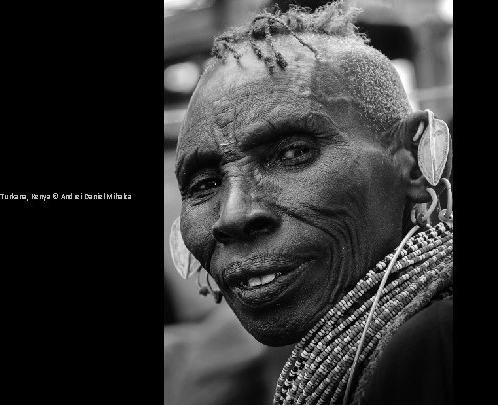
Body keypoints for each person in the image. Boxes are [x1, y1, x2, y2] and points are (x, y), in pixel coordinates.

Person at [171, 2, 453, 404]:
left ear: (410, 163)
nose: (232, 215)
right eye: (206, 183)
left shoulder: (436, 341)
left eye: (292, 154)